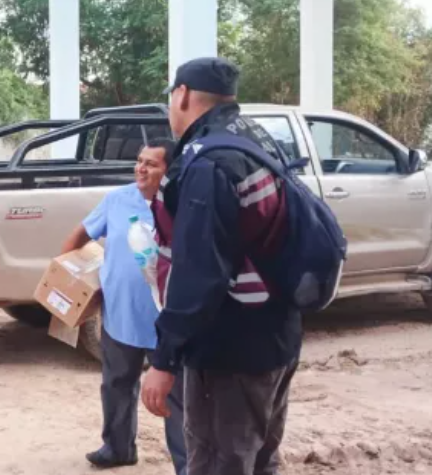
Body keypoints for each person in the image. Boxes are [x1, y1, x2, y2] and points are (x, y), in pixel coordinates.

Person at [141, 57, 299, 475]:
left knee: (217, 463)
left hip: (230, 351)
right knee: (260, 459)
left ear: (182, 95)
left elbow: (198, 272)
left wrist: (164, 359)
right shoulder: (258, 139)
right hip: (277, 335)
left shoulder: (208, 161)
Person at [61, 139, 186, 473]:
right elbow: (78, 236)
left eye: (151, 164)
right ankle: (117, 448)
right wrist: (67, 277)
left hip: (167, 322)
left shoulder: (182, 204)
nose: (140, 169)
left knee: (176, 397)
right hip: (121, 315)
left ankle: (186, 464)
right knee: (116, 383)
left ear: (169, 171)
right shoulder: (117, 199)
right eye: (139, 161)